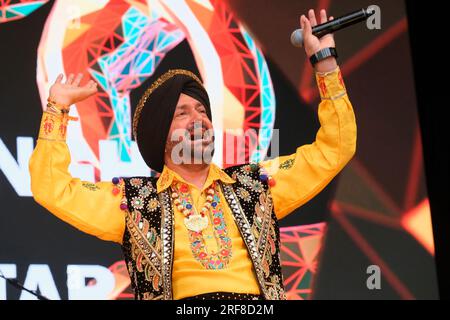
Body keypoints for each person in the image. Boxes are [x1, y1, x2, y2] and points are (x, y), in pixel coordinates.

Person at [29, 10, 356, 300]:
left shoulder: (255, 185)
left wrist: (324, 62)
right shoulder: (133, 202)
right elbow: (52, 188)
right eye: (183, 113)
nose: (199, 118)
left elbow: (334, 148)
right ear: (161, 134)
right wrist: (57, 108)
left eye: (202, 110)